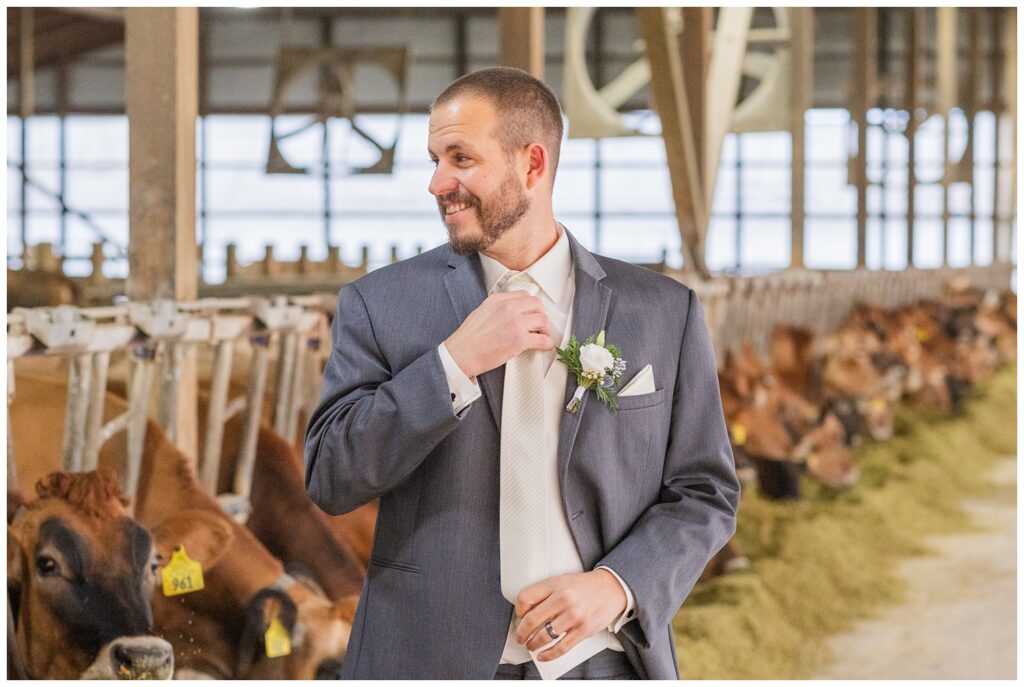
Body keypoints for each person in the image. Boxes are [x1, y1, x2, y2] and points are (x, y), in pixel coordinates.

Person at [304, 66, 740, 680]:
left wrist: (617, 587)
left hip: (605, 662)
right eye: (434, 159)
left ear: (532, 165)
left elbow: (705, 492)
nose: (437, 183)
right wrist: (452, 364)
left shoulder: (663, 312)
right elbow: (330, 476)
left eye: (460, 158)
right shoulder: (379, 305)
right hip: (430, 660)